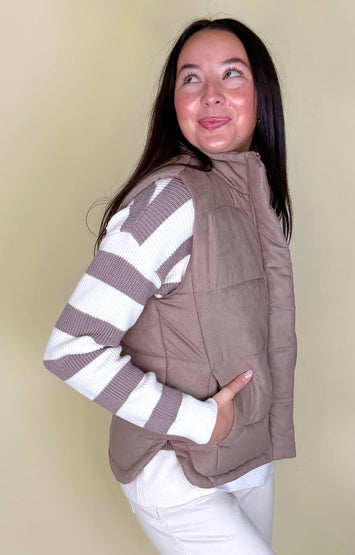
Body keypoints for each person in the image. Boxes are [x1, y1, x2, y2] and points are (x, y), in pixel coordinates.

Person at [43, 17, 297, 555]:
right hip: (177, 470)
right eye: (190, 78)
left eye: (232, 74)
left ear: (261, 94)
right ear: (172, 102)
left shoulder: (251, 195)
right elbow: (73, 348)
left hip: (247, 458)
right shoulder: (170, 202)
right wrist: (200, 421)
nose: (210, 95)